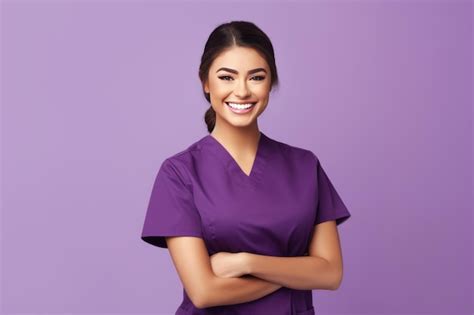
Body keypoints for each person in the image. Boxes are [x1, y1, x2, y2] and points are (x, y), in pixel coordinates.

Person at [141, 20, 351, 315]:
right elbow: (204, 292)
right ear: (205, 82)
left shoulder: (305, 166)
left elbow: (331, 274)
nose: (242, 91)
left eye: (256, 77)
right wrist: (297, 272)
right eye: (227, 77)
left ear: (271, 82)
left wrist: (245, 263)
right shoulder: (179, 173)